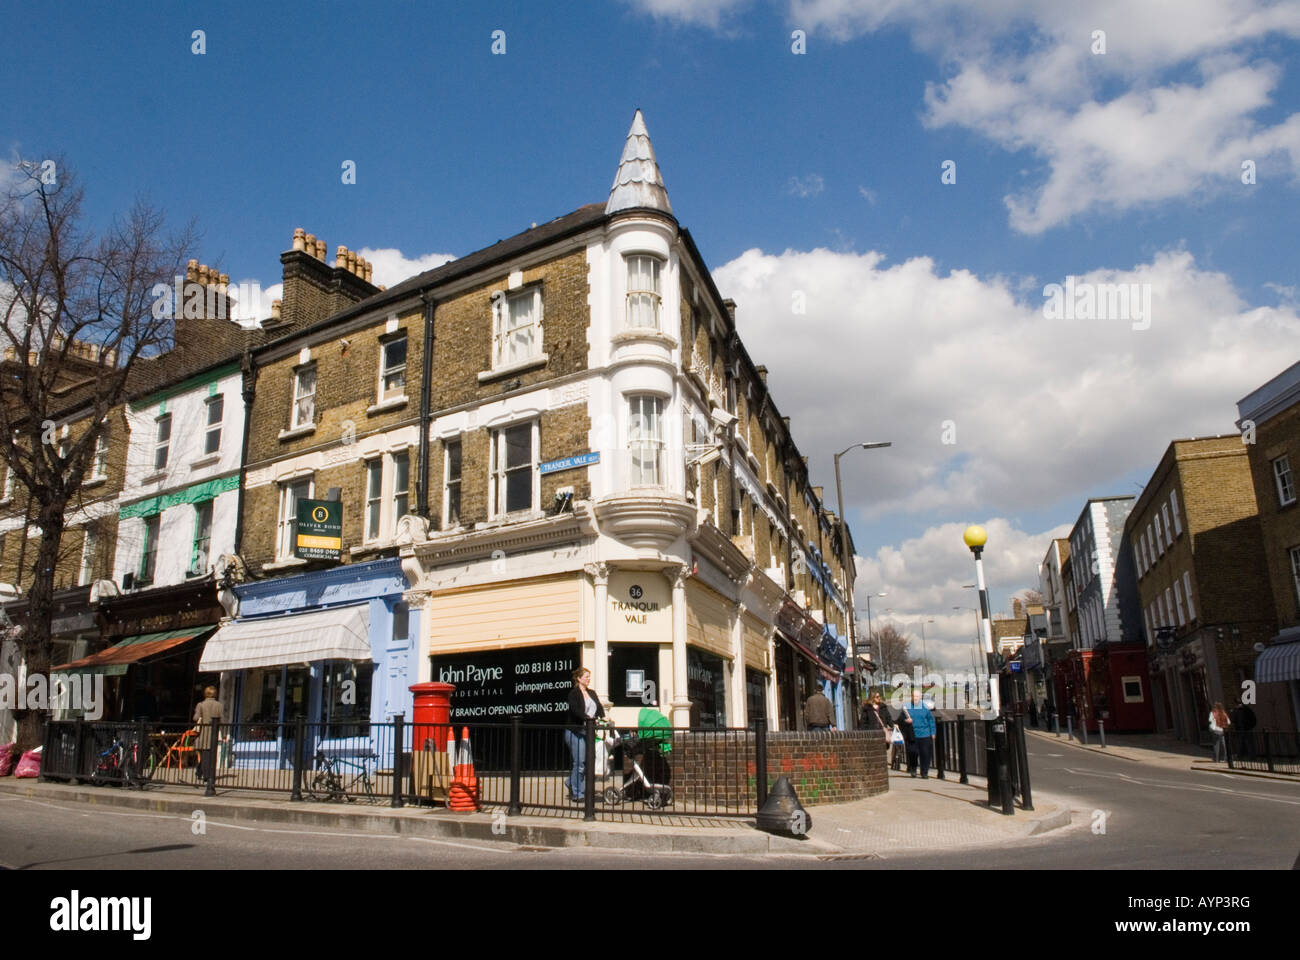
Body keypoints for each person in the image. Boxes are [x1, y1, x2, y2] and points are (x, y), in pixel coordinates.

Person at [565, 667, 604, 802]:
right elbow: (575, 710)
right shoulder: (573, 694)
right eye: (586, 676)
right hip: (575, 731)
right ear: (579, 679)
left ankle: (571, 781)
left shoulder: (592, 693)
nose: (588, 679)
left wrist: (603, 718)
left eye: (589, 676)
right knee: (580, 762)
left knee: (586, 762)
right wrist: (588, 719)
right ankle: (578, 794)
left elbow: (598, 707)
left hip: (588, 731)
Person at [900, 689, 936, 778]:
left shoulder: (925, 707)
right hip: (912, 734)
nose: (915, 698)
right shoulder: (906, 707)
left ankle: (924, 772)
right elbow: (900, 720)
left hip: (925, 734)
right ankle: (913, 769)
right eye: (913, 696)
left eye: (917, 696)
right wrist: (906, 720)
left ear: (920, 697)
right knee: (913, 752)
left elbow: (931, 720)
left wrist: (933, 732)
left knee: (925, 754)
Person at [192, 685, 223, 784]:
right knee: (211, 755)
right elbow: (223, 720)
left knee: (205, 754)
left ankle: (206, 775)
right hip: (214, 732)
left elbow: (195, 718)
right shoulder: (219, 705)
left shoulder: (200, 705)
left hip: (203, 732)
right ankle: (204, 772)